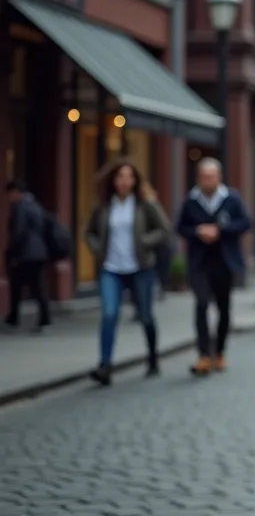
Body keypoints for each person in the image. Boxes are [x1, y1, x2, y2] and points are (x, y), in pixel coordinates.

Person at [83, 159, 170, 385]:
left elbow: (163, 229)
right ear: (113, 180)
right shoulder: (103, 206)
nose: (124, 181)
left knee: (146, 315)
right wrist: (97, 250)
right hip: (111, 268)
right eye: (120, 177)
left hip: (140, 268)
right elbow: (88, 232)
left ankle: (152, 357)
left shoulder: (144, 204)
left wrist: (144, 241)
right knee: (109, 314)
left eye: (129, 177)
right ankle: (105, 365)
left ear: (135, 180)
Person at [176, 157, 251, 376]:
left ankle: (219, 351)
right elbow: (180, 227)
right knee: (200, 305)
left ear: (219, 177)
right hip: (200, 262)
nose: (207, 180)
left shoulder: (231, 199)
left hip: (224, 261)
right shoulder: (191, 200)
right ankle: (203, 354)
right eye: (203, 176)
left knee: (223, 308)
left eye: (211, 176)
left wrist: (221, 230)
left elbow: (245, 223)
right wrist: (198, 231)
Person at [4, 179, 51, 332]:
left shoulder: (21, 206)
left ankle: (15, 319)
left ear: (16, 192)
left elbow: (19, 231)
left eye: (10, 194)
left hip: (25, 254)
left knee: (19, 287)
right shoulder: (35, 204)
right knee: (37, 287)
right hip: (38, 252)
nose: (9, 199)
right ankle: (41, 318)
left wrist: (11, 251)